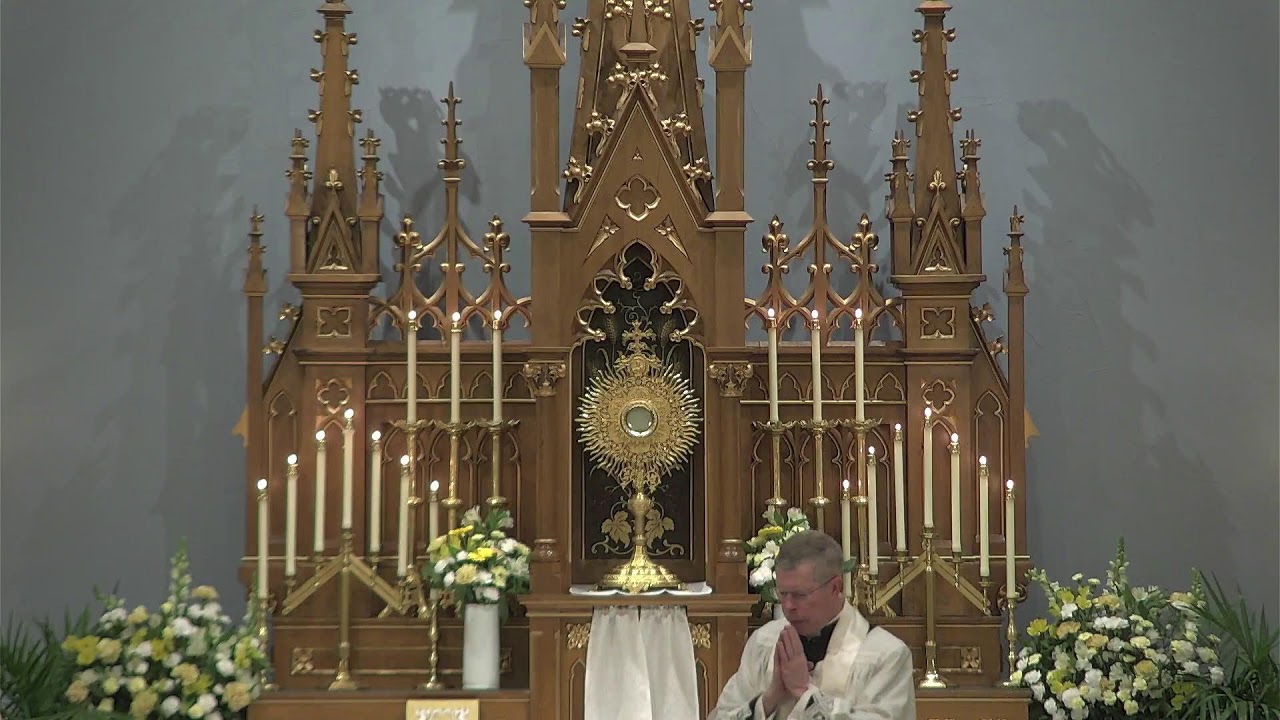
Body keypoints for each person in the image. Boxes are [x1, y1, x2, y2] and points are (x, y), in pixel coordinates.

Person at [708, 530, 916, 720]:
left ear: (835, 587)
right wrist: (770, 698)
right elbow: (722, 715)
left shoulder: (887, 655)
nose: (788, 606)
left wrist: (805, 694)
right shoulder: (765, 642)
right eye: (783, 594)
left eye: (799, 595)